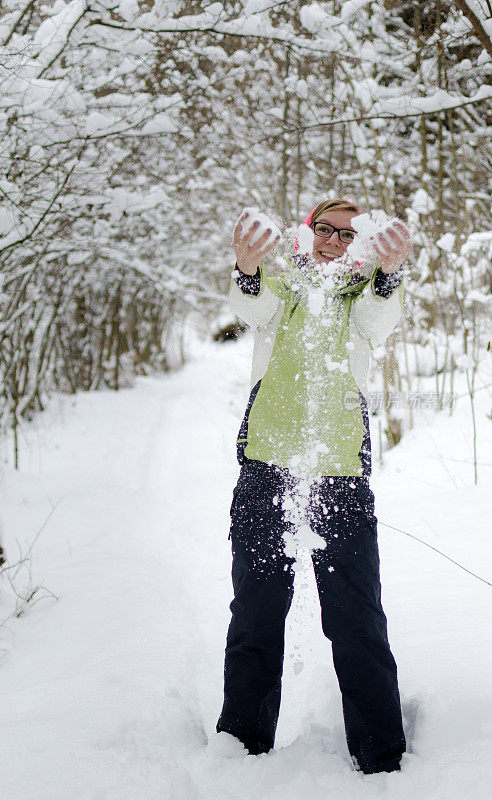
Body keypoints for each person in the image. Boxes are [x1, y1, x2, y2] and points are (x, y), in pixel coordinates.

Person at [216, 198, 411, 774]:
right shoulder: (280, 285)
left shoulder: (363, 297)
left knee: (355, 616)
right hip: (266, 466)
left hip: (340, 472)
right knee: (256, 608)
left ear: (365, 243)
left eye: (348, 234)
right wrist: (248, 271)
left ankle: (380, 753)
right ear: (307, 233)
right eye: (324, 228)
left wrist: (390, 274)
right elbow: (252, 311)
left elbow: (381, 322)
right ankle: (242, 745)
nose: (333, 240)